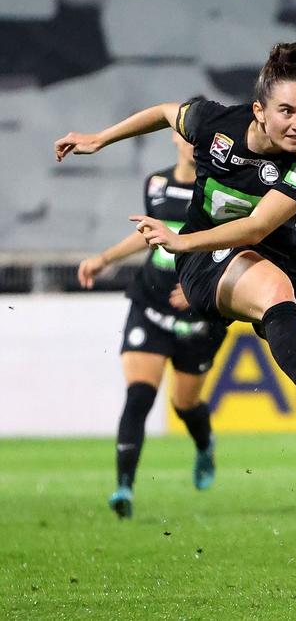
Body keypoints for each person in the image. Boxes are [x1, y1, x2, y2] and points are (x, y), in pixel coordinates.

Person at [56, 42, 296, 582]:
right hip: (206, 263)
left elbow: (257, 228)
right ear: (259, 111)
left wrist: (179, 240)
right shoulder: (214, 123)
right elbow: (163, 113)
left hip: (276, 260)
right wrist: (99, 140)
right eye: (287, 112)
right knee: (295, 331)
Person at [78, 120, 227, 519]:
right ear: (176, 137)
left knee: (184, 403)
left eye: (203, 140)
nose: (192, 144)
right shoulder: (157, 183)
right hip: (150, 303)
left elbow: (239, 243)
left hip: (200, 315)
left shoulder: (222, 189)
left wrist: (203, 290)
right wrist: (104, 258)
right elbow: (147, 232)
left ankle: (203, 444)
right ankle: (123, 487)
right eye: (187, 135)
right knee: (140, 396)